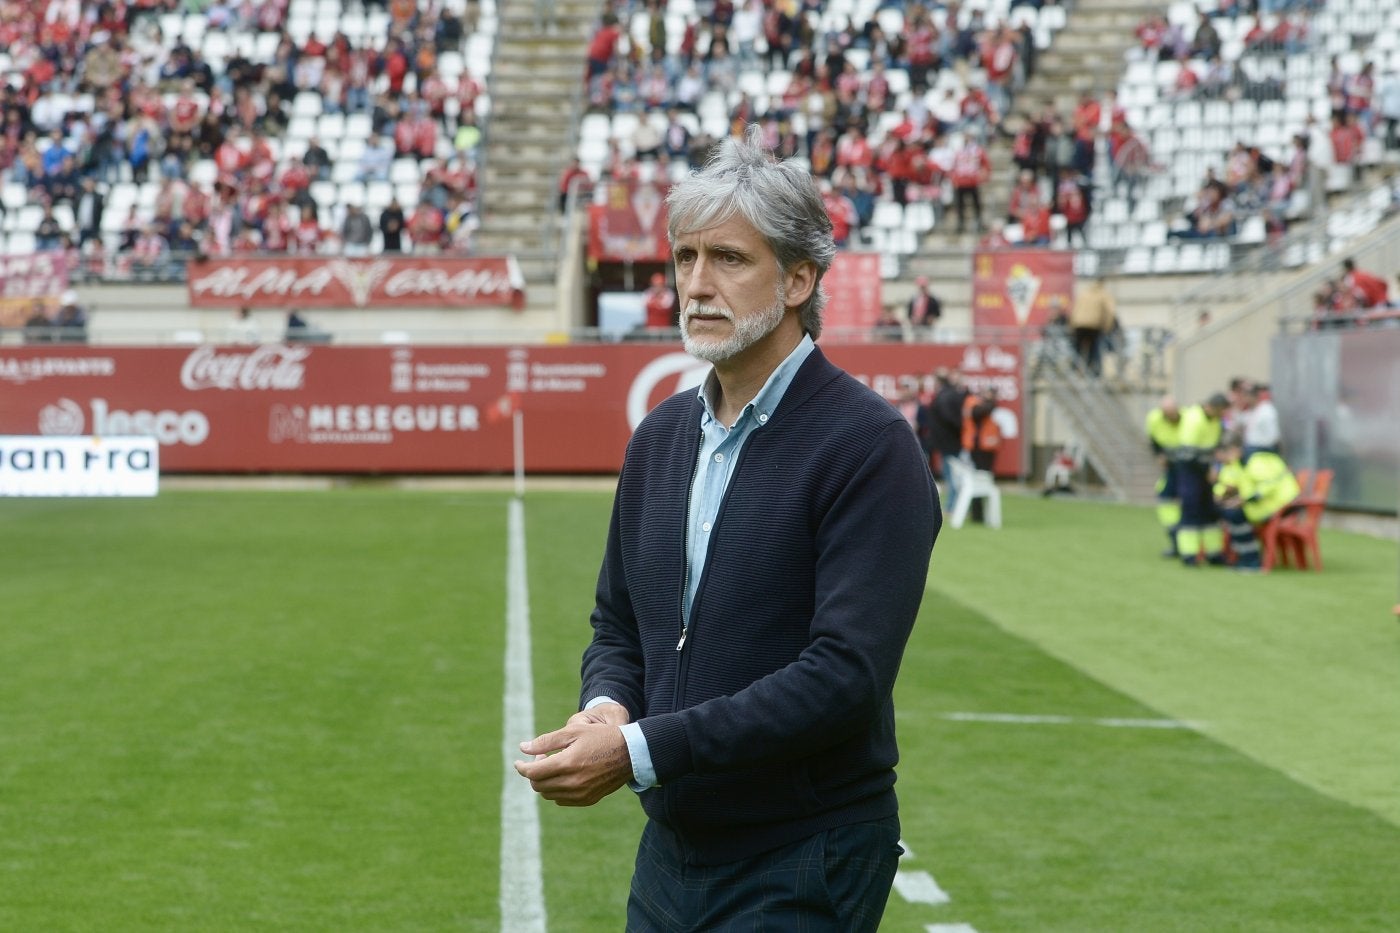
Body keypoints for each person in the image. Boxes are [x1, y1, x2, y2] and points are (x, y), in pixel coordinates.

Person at [514, 127, 940, 931]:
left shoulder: (868, 444)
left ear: (798, 279)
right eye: (684, 259)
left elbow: (843, 676)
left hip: (805, 853)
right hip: (672, 851)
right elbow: (618, 623)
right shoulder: (661, 436)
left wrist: (641, 751)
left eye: (729, 259)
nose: (697, 285)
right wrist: (607, 707)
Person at [1213, 436, 1301, 572]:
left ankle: (1252, 560)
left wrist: (1245, 500)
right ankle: (1245, 557)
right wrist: (1218, 496)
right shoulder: (1237, 462)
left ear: (1234, 450)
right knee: (1228, 511)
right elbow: (1227, 482)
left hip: (1281, 504)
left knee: (1235, 514)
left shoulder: (1256, 461)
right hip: (1263, 504)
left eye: (1224, 456)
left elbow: (1269, 485)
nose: (1223, 461)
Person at [1174, 393, 1229, 566]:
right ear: (1211, 407)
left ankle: (1213, 553)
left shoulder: (1216, 420)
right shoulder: (1194, 419)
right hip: (1190, 470)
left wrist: (1215, 467)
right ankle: (1189, 554)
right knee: (1191, 508)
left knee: (1209, 511)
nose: (1223, 415)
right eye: (1221, 411)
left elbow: (1217, 445)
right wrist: (1208, 470)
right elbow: (1189, 455)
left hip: (1206, 469)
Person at [1145, 396, 1183, 557]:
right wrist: (1159, 455)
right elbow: (1153, 440)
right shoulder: (1154, 419)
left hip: (1185, 465)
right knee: (1165, 499)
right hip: (1170, 465)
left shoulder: (1187, 419)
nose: (1170, 417)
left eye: (1172, 413)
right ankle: (1175, 542)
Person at [1068, 276, 1117, 376]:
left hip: (1079, 324)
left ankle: (1074, 372)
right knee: (1094, 350)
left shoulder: (1084, 293)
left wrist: (1072, 325)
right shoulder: (1103, 294)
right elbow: (1110, 312)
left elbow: (1074, 310)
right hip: (1094, 325)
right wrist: (1107, 327)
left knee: (1077, 349)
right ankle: (1093, 373)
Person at [1238, 382, 1280, 459]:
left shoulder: (1266, 409)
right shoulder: (1249, 411)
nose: (1243, 399)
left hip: (1263, 449)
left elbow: (1273, 435)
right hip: (1250, 447)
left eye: (1245, 396)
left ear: (1252, 396)